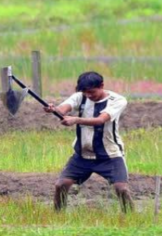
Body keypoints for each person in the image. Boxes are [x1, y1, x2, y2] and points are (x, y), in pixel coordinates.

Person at [44, 71, 133, 212]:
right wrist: (53, 109)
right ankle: (57, 216)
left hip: (110, 155)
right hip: (82, 155)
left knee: (121, 188)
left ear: (102, 86)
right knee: (61, 185)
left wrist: (76, 120)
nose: (89, 96)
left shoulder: (118, 100)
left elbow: (100, 120)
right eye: (86, 92)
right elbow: (63, 109)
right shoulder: (80, 96)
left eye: (92, 92)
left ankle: (130, 217)